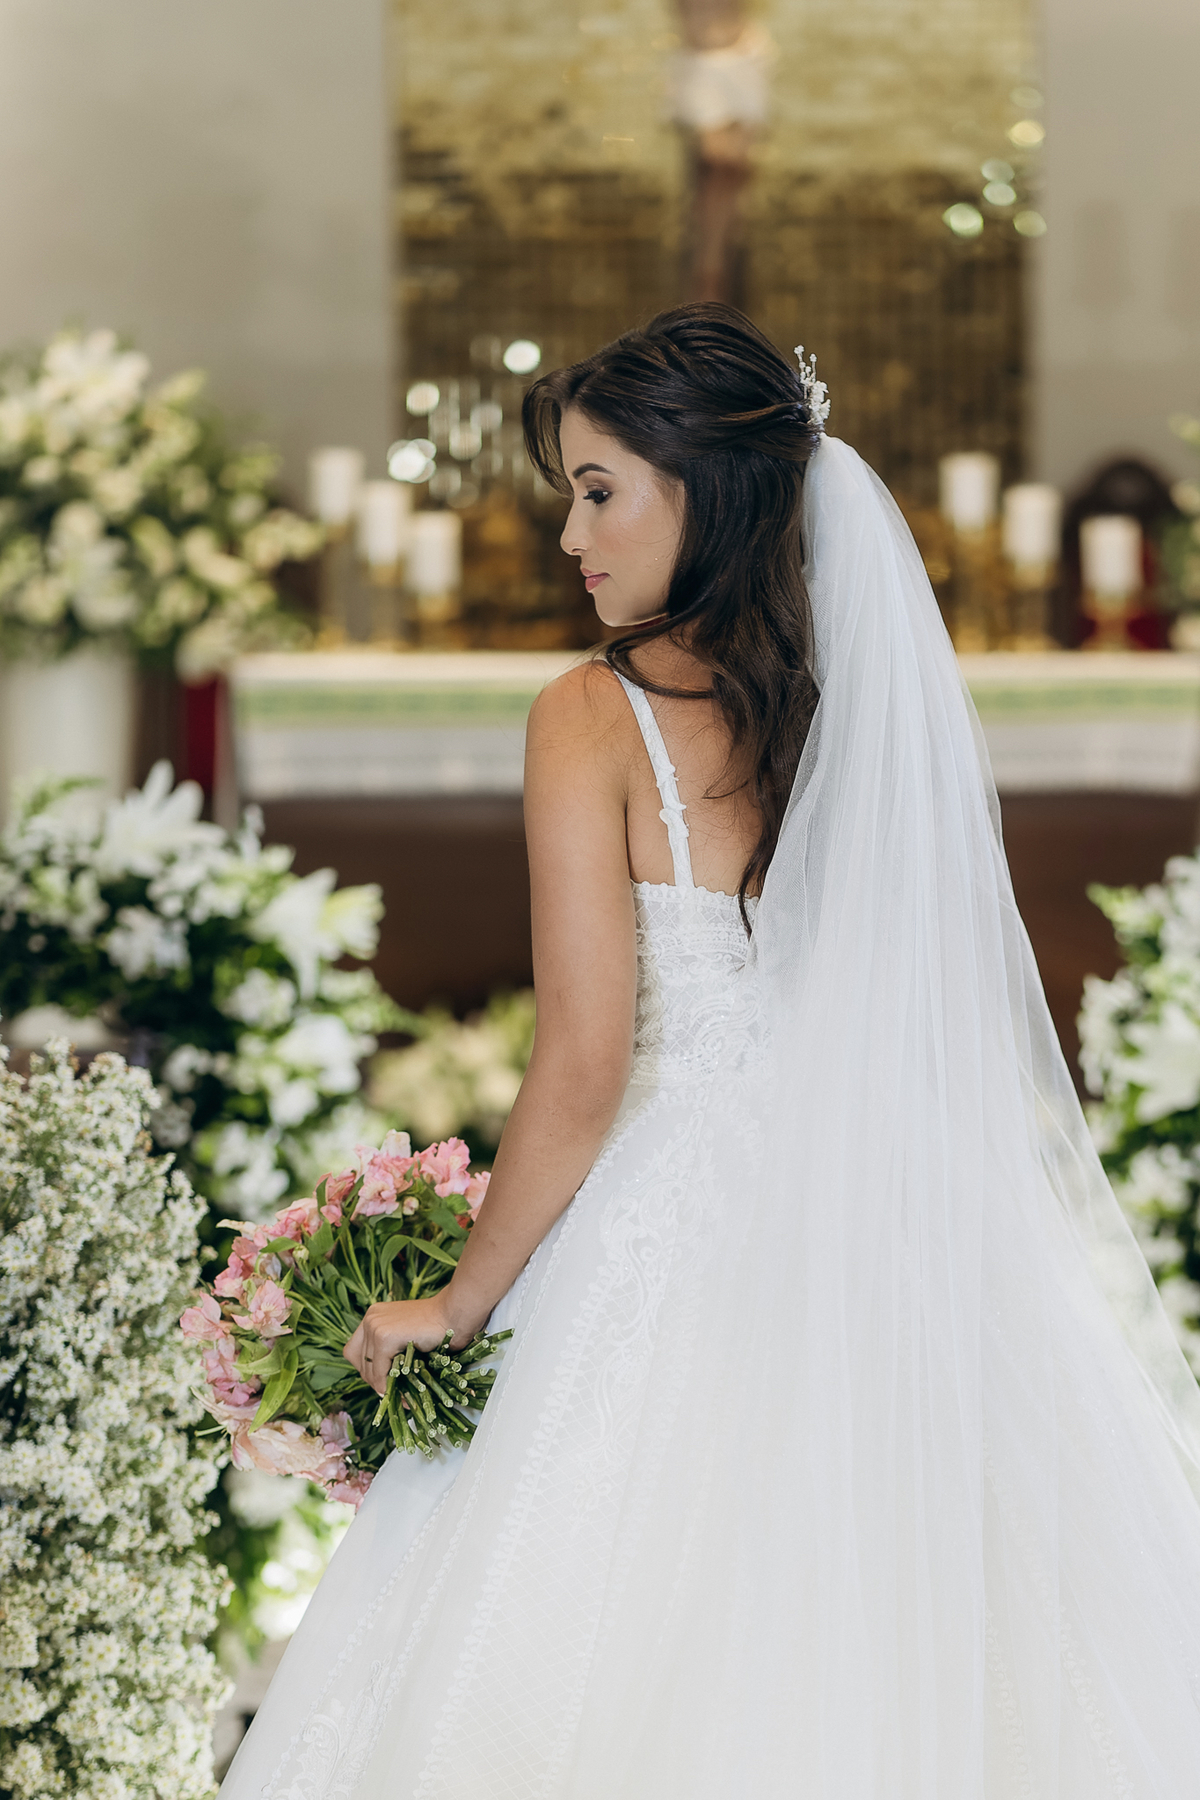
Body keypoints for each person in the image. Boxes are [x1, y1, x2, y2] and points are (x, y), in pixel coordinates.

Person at [221, 305, 1200, 1800]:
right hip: (879, 1221)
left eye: (602, 488)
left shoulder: (590, 714)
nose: (570, 534)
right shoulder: (849, 705)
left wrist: (462, 1299)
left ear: (710, 491)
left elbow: (586, 1067)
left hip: (666, 1222)